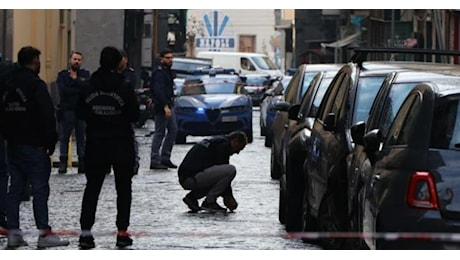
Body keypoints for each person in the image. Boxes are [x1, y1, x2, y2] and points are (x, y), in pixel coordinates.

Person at [0, 46, 69, 248]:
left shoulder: (8, 85)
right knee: (40, 189)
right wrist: (50, 141)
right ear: (34, 61)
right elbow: (47, 115)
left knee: (16, 189)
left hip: (14, 144)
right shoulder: (35, 85)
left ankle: (14, 232)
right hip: (34, 145)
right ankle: (44, 233)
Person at [76, 46, 139, 249]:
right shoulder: (124, 86)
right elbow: (135, 115)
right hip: (120, 142)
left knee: (92, 188)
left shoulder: (88, 86)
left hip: (96, 141)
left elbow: (80, 112)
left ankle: (86, 233)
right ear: (118, 63)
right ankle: (122, 232)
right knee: (123, 189)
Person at [178, 131, 247, 213]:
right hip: (192, 177)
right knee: (230, 170)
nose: (237, 152)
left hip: (187, 177)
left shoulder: (218, 141)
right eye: (239, 148)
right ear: (234, 142)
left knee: (217, 179)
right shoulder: (224, 146)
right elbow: (224, 176)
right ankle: (210, 202)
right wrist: (228, 197)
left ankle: (192, 197)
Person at [56, 51, 91, 174]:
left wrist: (75, 81)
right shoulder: (62, 75)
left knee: (82, 138)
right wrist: (77, 86)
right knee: (64, 137)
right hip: (67, 110)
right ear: (70, 60)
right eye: (75, 59)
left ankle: (82, 163)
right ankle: (63, 162)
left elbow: (87, 89)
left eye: (79, 60)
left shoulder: (85, 74)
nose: (77, 61)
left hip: (81, 110)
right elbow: (63, 91)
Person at [149, 48, 178, 170]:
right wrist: (165, 106)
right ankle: (155, 159)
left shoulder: (167, 72)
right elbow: (158, 91)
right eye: (167, 58)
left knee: (173, 130)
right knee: (160, 132)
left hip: (168, 104)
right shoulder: (159, 73)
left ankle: (165, 157)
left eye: (171, 57)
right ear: (161, 59)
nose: (170, 60)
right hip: (162, 106)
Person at [118, 49, 140, 175]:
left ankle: (134, 162)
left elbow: (129, 89)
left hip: (125, 111)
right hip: (115, 111)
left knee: (131, 139)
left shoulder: (129, 74)